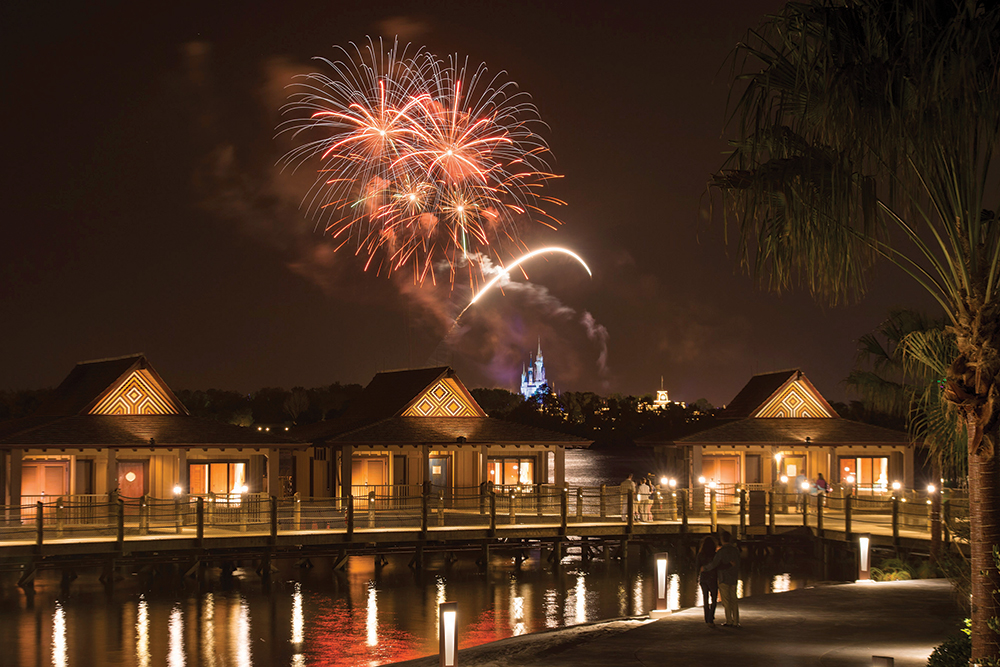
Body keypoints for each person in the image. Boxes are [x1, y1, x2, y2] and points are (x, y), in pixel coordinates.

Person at [704, 531, 741, 627]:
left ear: (722, 540)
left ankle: (729, 620)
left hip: (723, 578)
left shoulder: (721, 551)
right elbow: (738, 563)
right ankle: (736, 621)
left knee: (726, 600)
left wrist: (705, 568)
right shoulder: (735, 550)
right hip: (733, 577)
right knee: (734, 599)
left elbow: (714, 564)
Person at [697, 535, 720, 626]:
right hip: (712, 577)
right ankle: (711, 617)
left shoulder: (700, 555)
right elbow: (717, 565)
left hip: (703, 578)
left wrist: (697, 577)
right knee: (714, 598)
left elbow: (697, 566)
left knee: (705, 598)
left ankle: (707, 617)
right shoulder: (715, 555)